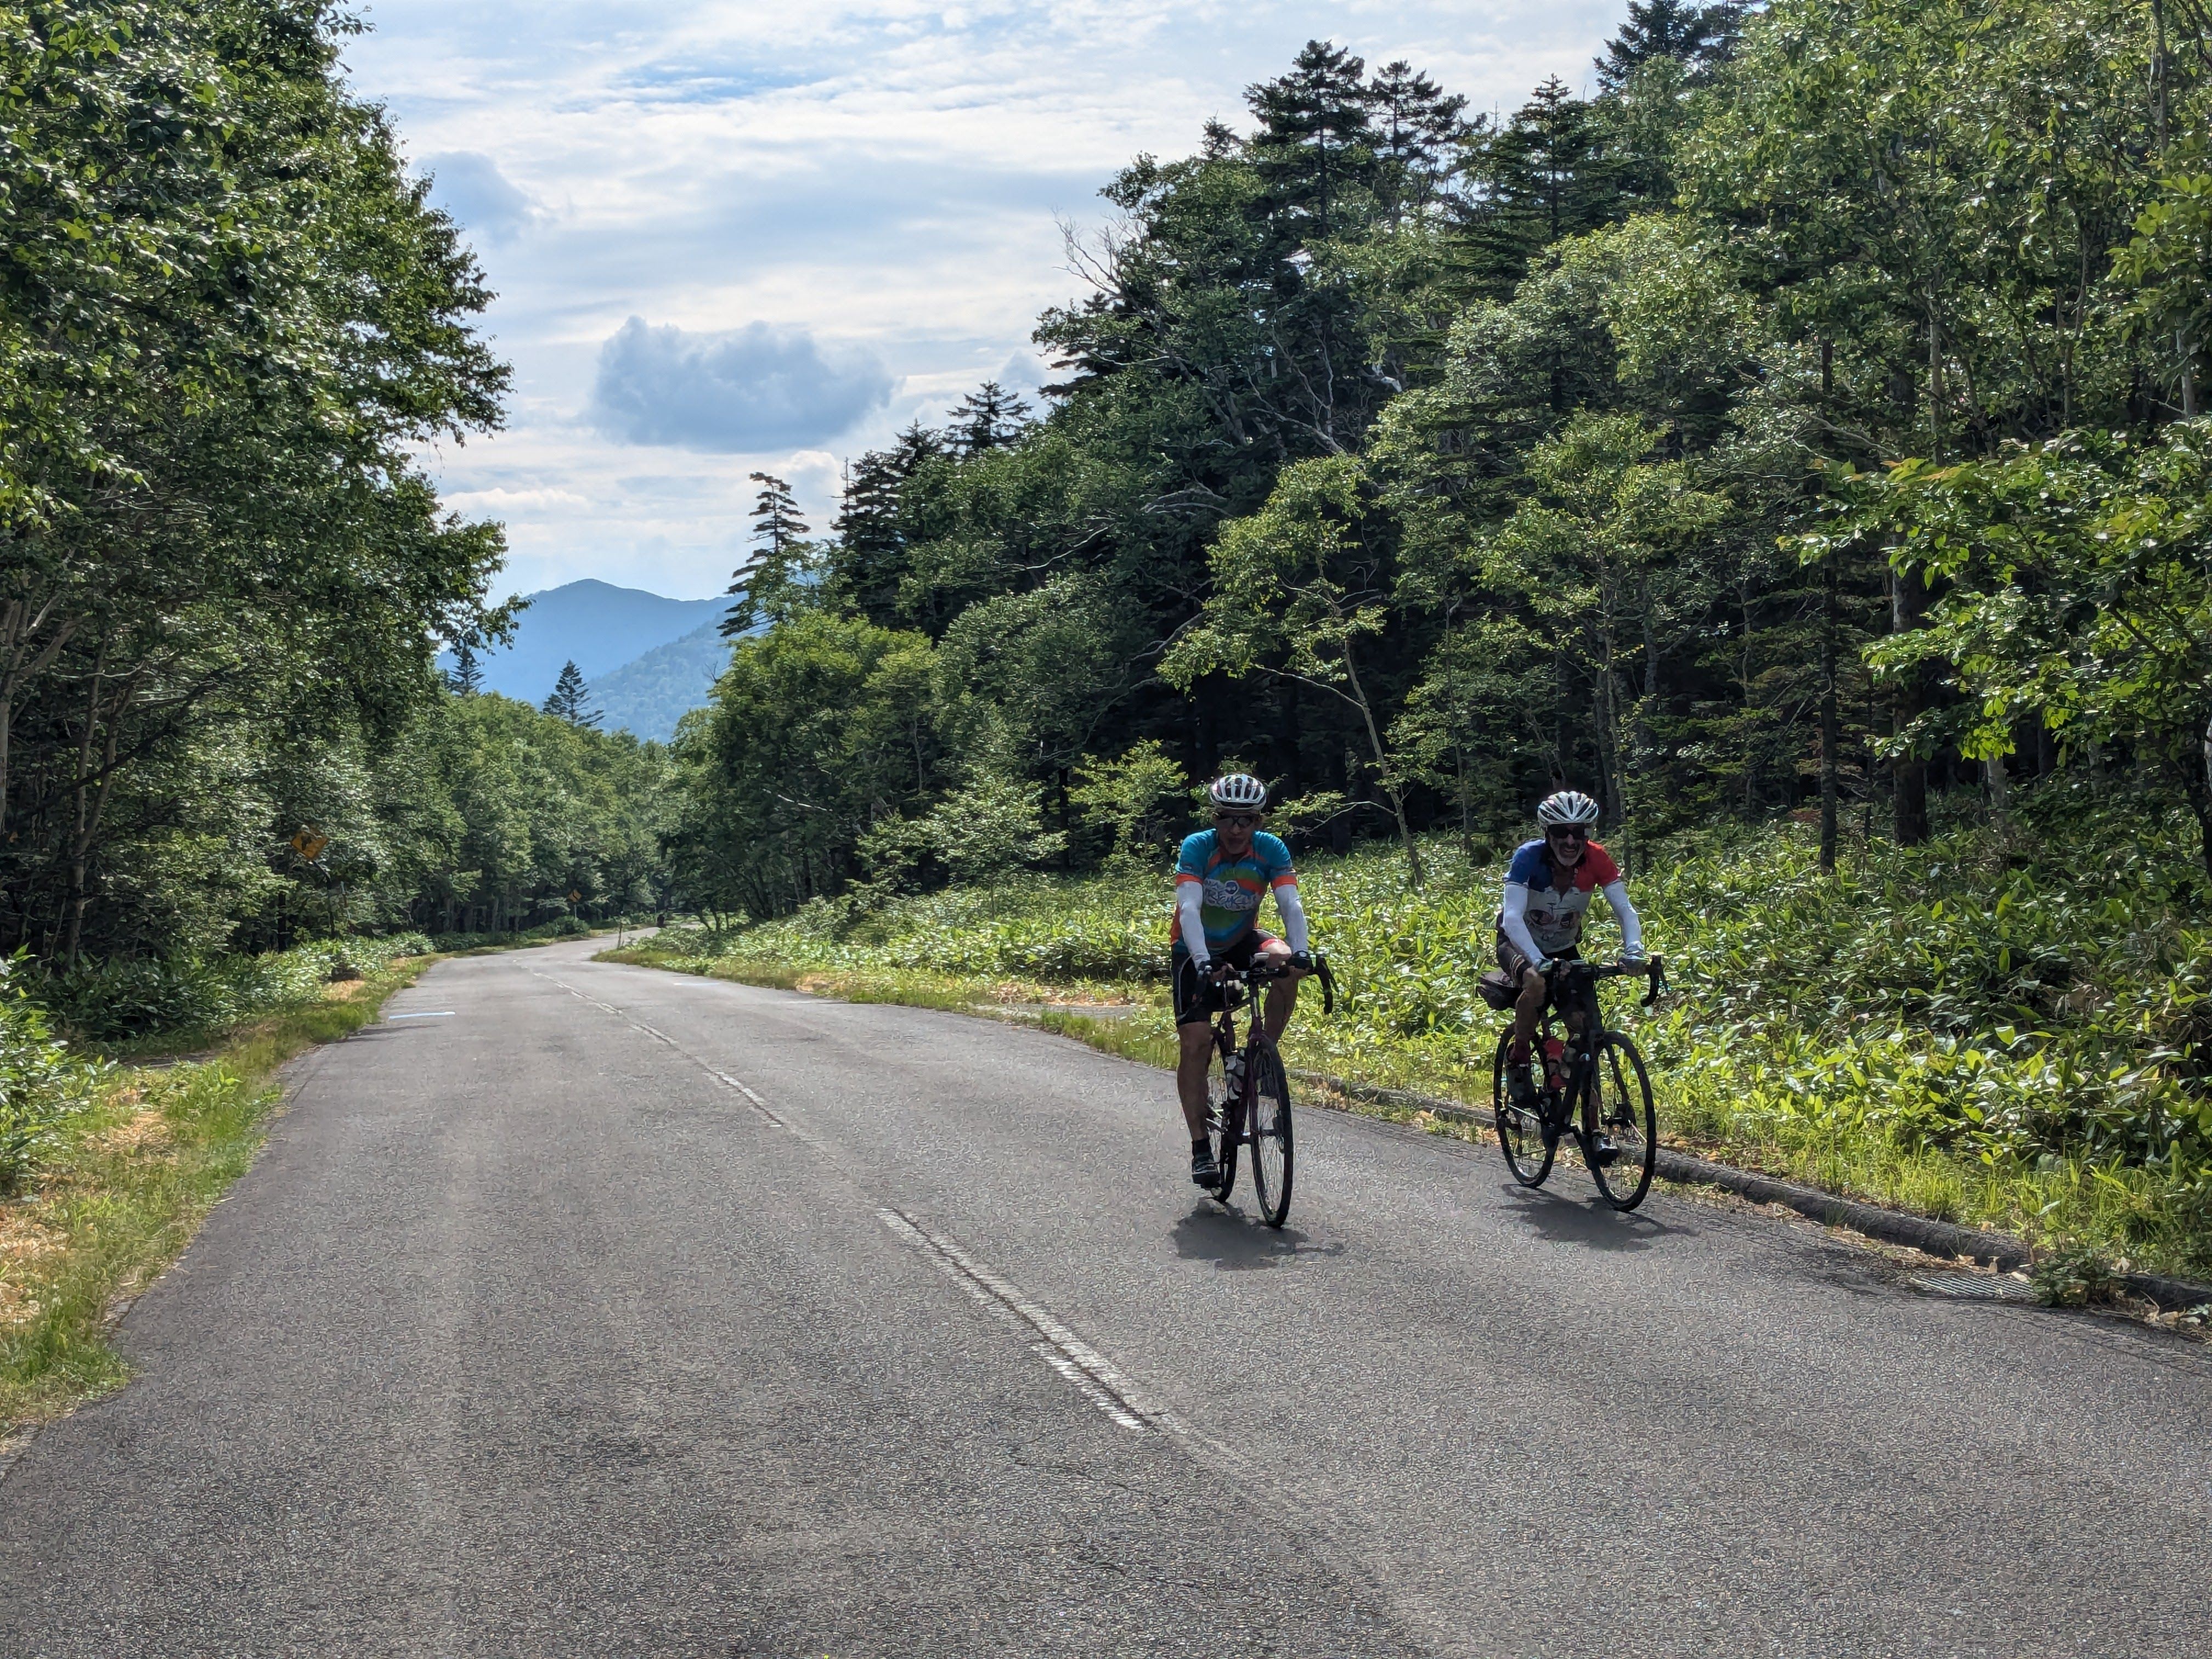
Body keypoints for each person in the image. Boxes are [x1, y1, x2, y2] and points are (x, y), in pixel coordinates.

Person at [1172, 774, 1313, 1187]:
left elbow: (1290, 902)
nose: (1236, 829)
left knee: (1288, 964)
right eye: (1227, 819)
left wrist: (1300, 949)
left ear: (1259, 821)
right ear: (1215, 819)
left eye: (1246, 820)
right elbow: (1190, 909)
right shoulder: (1198, 847)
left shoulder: (1271, 849)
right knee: (1196, 1043)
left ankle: (1261, 1057)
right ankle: (1201, 1147)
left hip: (1240, 939)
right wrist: (1201, 960)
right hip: (1192, 949)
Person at [1497, 789, 1645, 1154]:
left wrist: (1635, 951)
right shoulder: (1529, 858)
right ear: (1547, 832)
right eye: (1561, 831)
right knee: (1534, 982)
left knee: (1588, 1038)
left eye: (1579, 833)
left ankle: (1594, 1132)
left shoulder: (1597, 860)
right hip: (1518, 942)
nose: (1570, 840)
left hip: (1563, 947)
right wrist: (1537, 960)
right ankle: (1518, 1061)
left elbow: (1625, 910)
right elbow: (1513, 918)